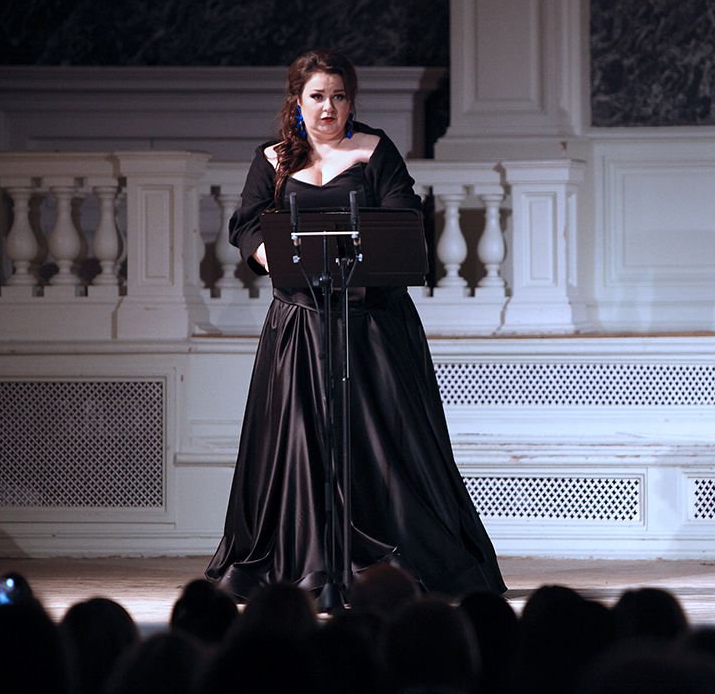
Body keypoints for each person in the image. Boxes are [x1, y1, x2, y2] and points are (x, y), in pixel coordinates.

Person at [205, 49, 506, 601]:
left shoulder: (375, 149)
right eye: (318, 96)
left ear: (350, 101)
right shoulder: (272, 159)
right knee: (301, 443)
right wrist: (272, 256)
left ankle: (385, 559)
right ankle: (307, 557)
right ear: (297, 101)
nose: (329, 107)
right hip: (300, 326)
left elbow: (403, 218)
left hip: (371, 324)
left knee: (383, 445)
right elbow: (246, 225)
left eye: (339, 96)